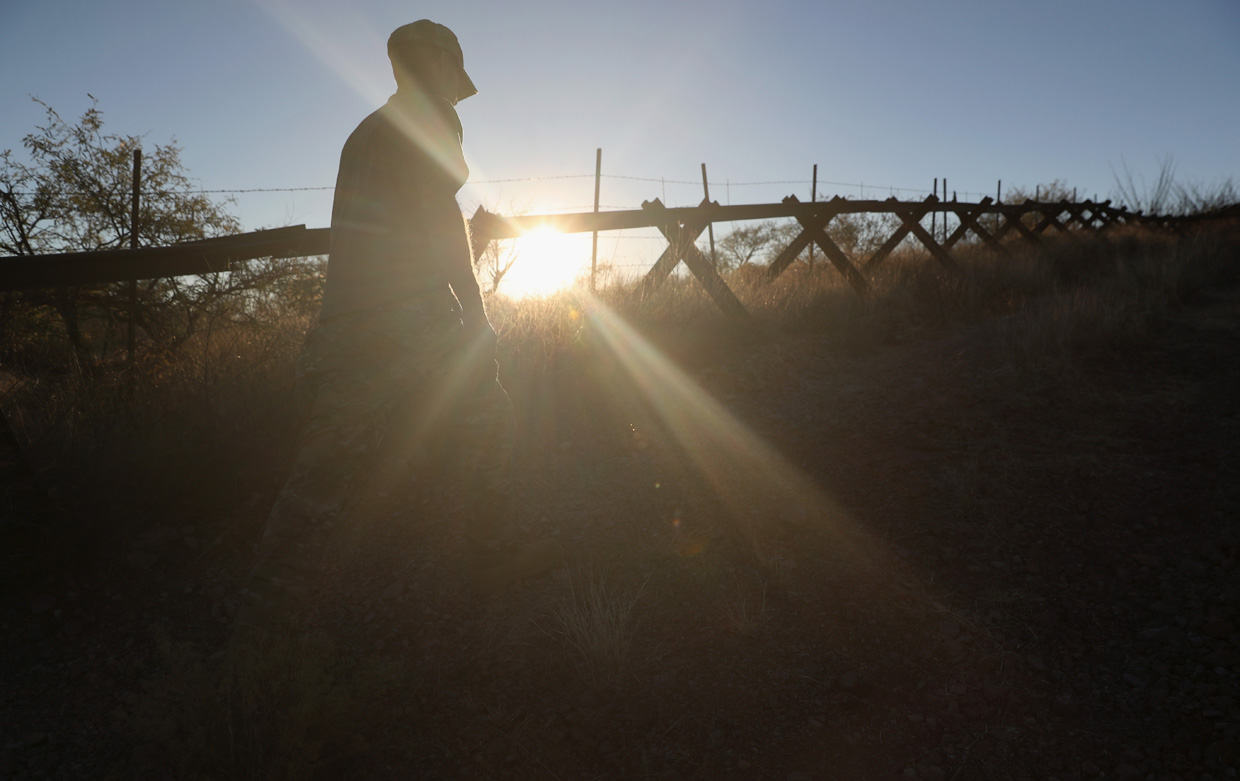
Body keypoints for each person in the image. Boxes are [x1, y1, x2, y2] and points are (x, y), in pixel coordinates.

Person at [235, 20, 562, 635]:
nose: (456, 84)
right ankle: (264, 642)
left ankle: (263, 634)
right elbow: (440, 222)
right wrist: (477, 321)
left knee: (325, 480)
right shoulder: (430, 117)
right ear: (437, 63)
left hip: (348, 324)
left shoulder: (367, 132)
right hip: (407, 323)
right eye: (452, 67)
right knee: (482, 421)